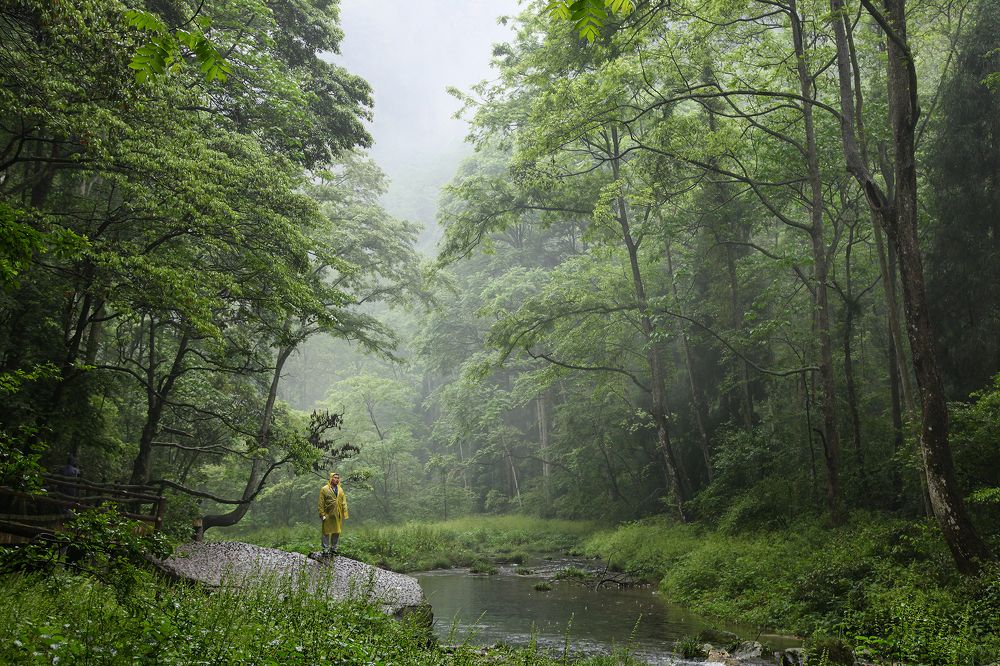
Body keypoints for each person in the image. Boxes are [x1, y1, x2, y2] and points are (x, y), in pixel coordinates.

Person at [317, 472, 348, 556]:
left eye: (338, 478)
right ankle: (325, 549)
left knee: (337, 532)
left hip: (337, 514)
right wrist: (322, 513)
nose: (337, 479)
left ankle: (334, 549)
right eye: (335, 477)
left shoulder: (340, 489)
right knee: (326, 532)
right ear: (331, 478)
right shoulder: (324, 489)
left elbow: (344, 501)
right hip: (327, 514)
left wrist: (344, 512)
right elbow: (321, 502)